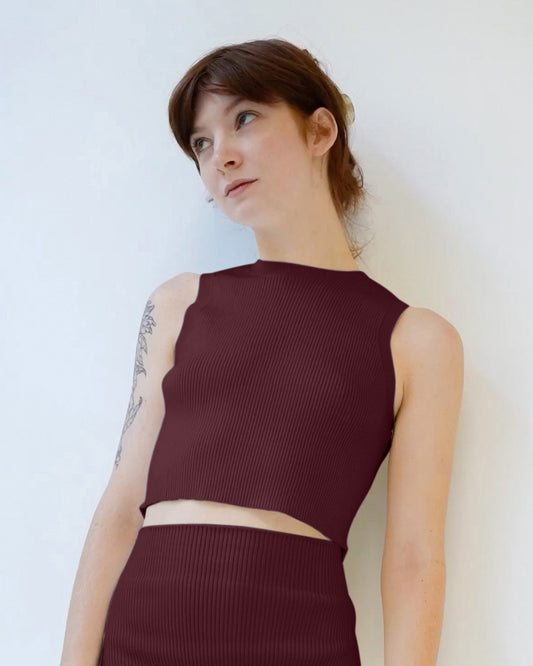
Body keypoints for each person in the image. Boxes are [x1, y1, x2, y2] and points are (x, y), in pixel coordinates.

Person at [60, 38, 464, 666]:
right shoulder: (179, 305)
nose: (220, 155)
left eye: (244, 118)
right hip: (141, 635)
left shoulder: (416, 339)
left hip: (299, 640)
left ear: (320, 130)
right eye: (201, 143)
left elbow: (414, 556)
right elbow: (120, 508)